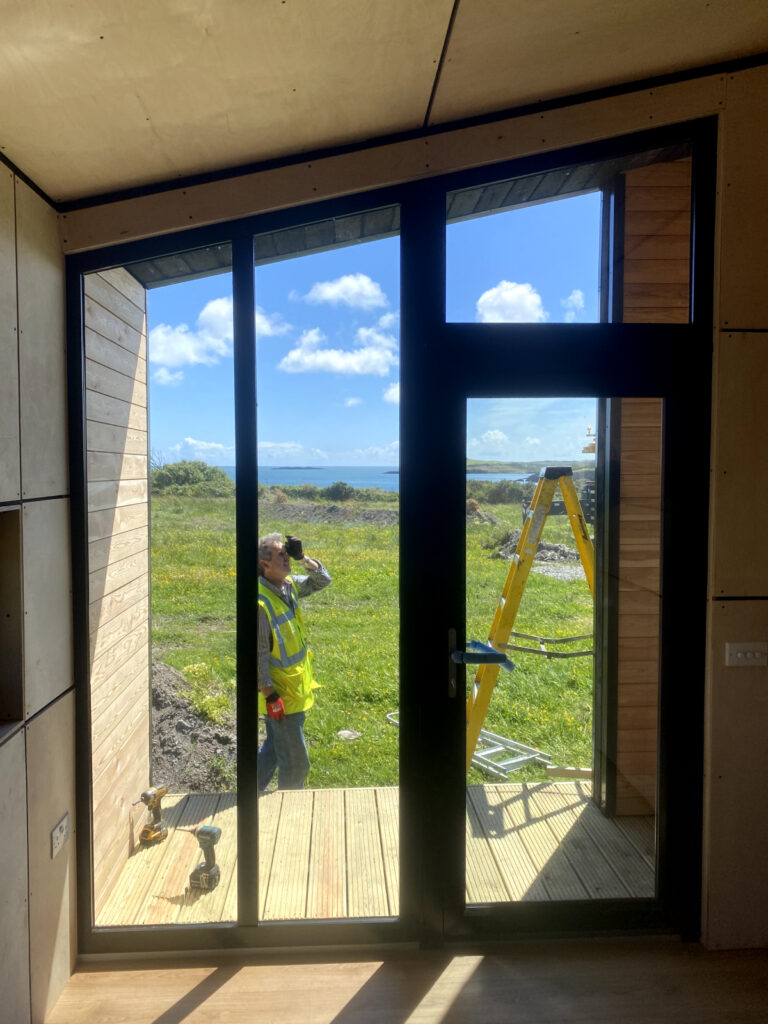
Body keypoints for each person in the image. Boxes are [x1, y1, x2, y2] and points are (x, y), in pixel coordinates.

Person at [257, 532, 331, 791]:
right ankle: (290, 811)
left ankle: (247, 794)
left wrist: (303, 558)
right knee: (297, 764)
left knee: (274, 751)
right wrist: (270, 697)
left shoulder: (287, 585)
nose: (287, 559)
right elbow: (258, 656)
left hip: (294, 689)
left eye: (288, 554)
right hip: (280, 697)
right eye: (282, 555)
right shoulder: (260, 603)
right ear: (265, 564)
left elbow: (322, 580)